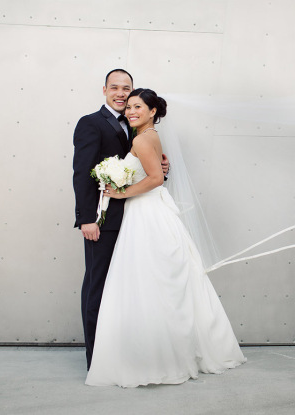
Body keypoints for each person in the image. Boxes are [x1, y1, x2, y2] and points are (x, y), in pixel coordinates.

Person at [85, 88, 245, 387]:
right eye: (129, 107)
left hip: (146, 213)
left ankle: (157, 355)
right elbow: (154, 172)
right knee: (155, 280)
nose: (131, 111)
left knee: (149, 279)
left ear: (153, 111)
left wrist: (121, 191)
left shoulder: (144, 138)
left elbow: (156, 179)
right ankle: (164, 349)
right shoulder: (147, 137)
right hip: (146, 211)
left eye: (138, 107)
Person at [72, 69, 169, 370]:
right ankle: (95, 360)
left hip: (135, 220)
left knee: (126, 288)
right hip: (104, 220)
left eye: (126, 88)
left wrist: (165, 167)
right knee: (98, 286)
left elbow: (149, 171)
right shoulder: (91, 123)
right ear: (104, 90)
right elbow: (82, 172)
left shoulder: (136, 126)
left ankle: (122, 353)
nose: (120, 93)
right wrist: (87, 218)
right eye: (114, 87)